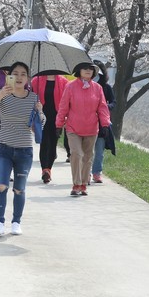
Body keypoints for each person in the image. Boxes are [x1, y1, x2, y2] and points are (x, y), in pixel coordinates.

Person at [0, 62, 44, 236]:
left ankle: (16, 222)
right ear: (9, 76)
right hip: (3, 148)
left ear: (28, 78)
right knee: (1, 185)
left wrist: (40, 112)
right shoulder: (4, 94)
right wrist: (1, 93)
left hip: (24, 150)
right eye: (15, 74)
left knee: (19, 189)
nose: (19, 77)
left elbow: (41, 123)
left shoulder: (34, 98)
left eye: (23, 74)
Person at [55, 62, 111, 197]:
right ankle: (76, 184)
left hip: (91, 128)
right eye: (85, 69)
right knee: (76, 154)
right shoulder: (70, 86)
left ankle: (84, 184)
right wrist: (59, 125)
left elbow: (102, 107)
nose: (88, 71)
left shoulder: (97, 88)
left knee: (87, 157)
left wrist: (105, 124)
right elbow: (63, 107)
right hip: (73, 127)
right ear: (79, 71)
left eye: (91, 69)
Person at [30, 73, 69, 183]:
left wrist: (65, 118)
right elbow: (31, 98)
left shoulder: (64, 82)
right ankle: (44, 169)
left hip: (57, 117)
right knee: (44, 142)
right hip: (41, 117)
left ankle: (49, 169)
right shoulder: (36, 81)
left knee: (53, 143)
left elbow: (67, 101)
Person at [91, 60, 116, 184]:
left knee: (99, 151)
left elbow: (113, 102)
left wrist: (106, 107)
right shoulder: (85, 86)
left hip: (102, 123)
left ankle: (97, 173)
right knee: (87, 152)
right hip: (87, 122)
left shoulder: (106, 87)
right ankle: (85, 173)